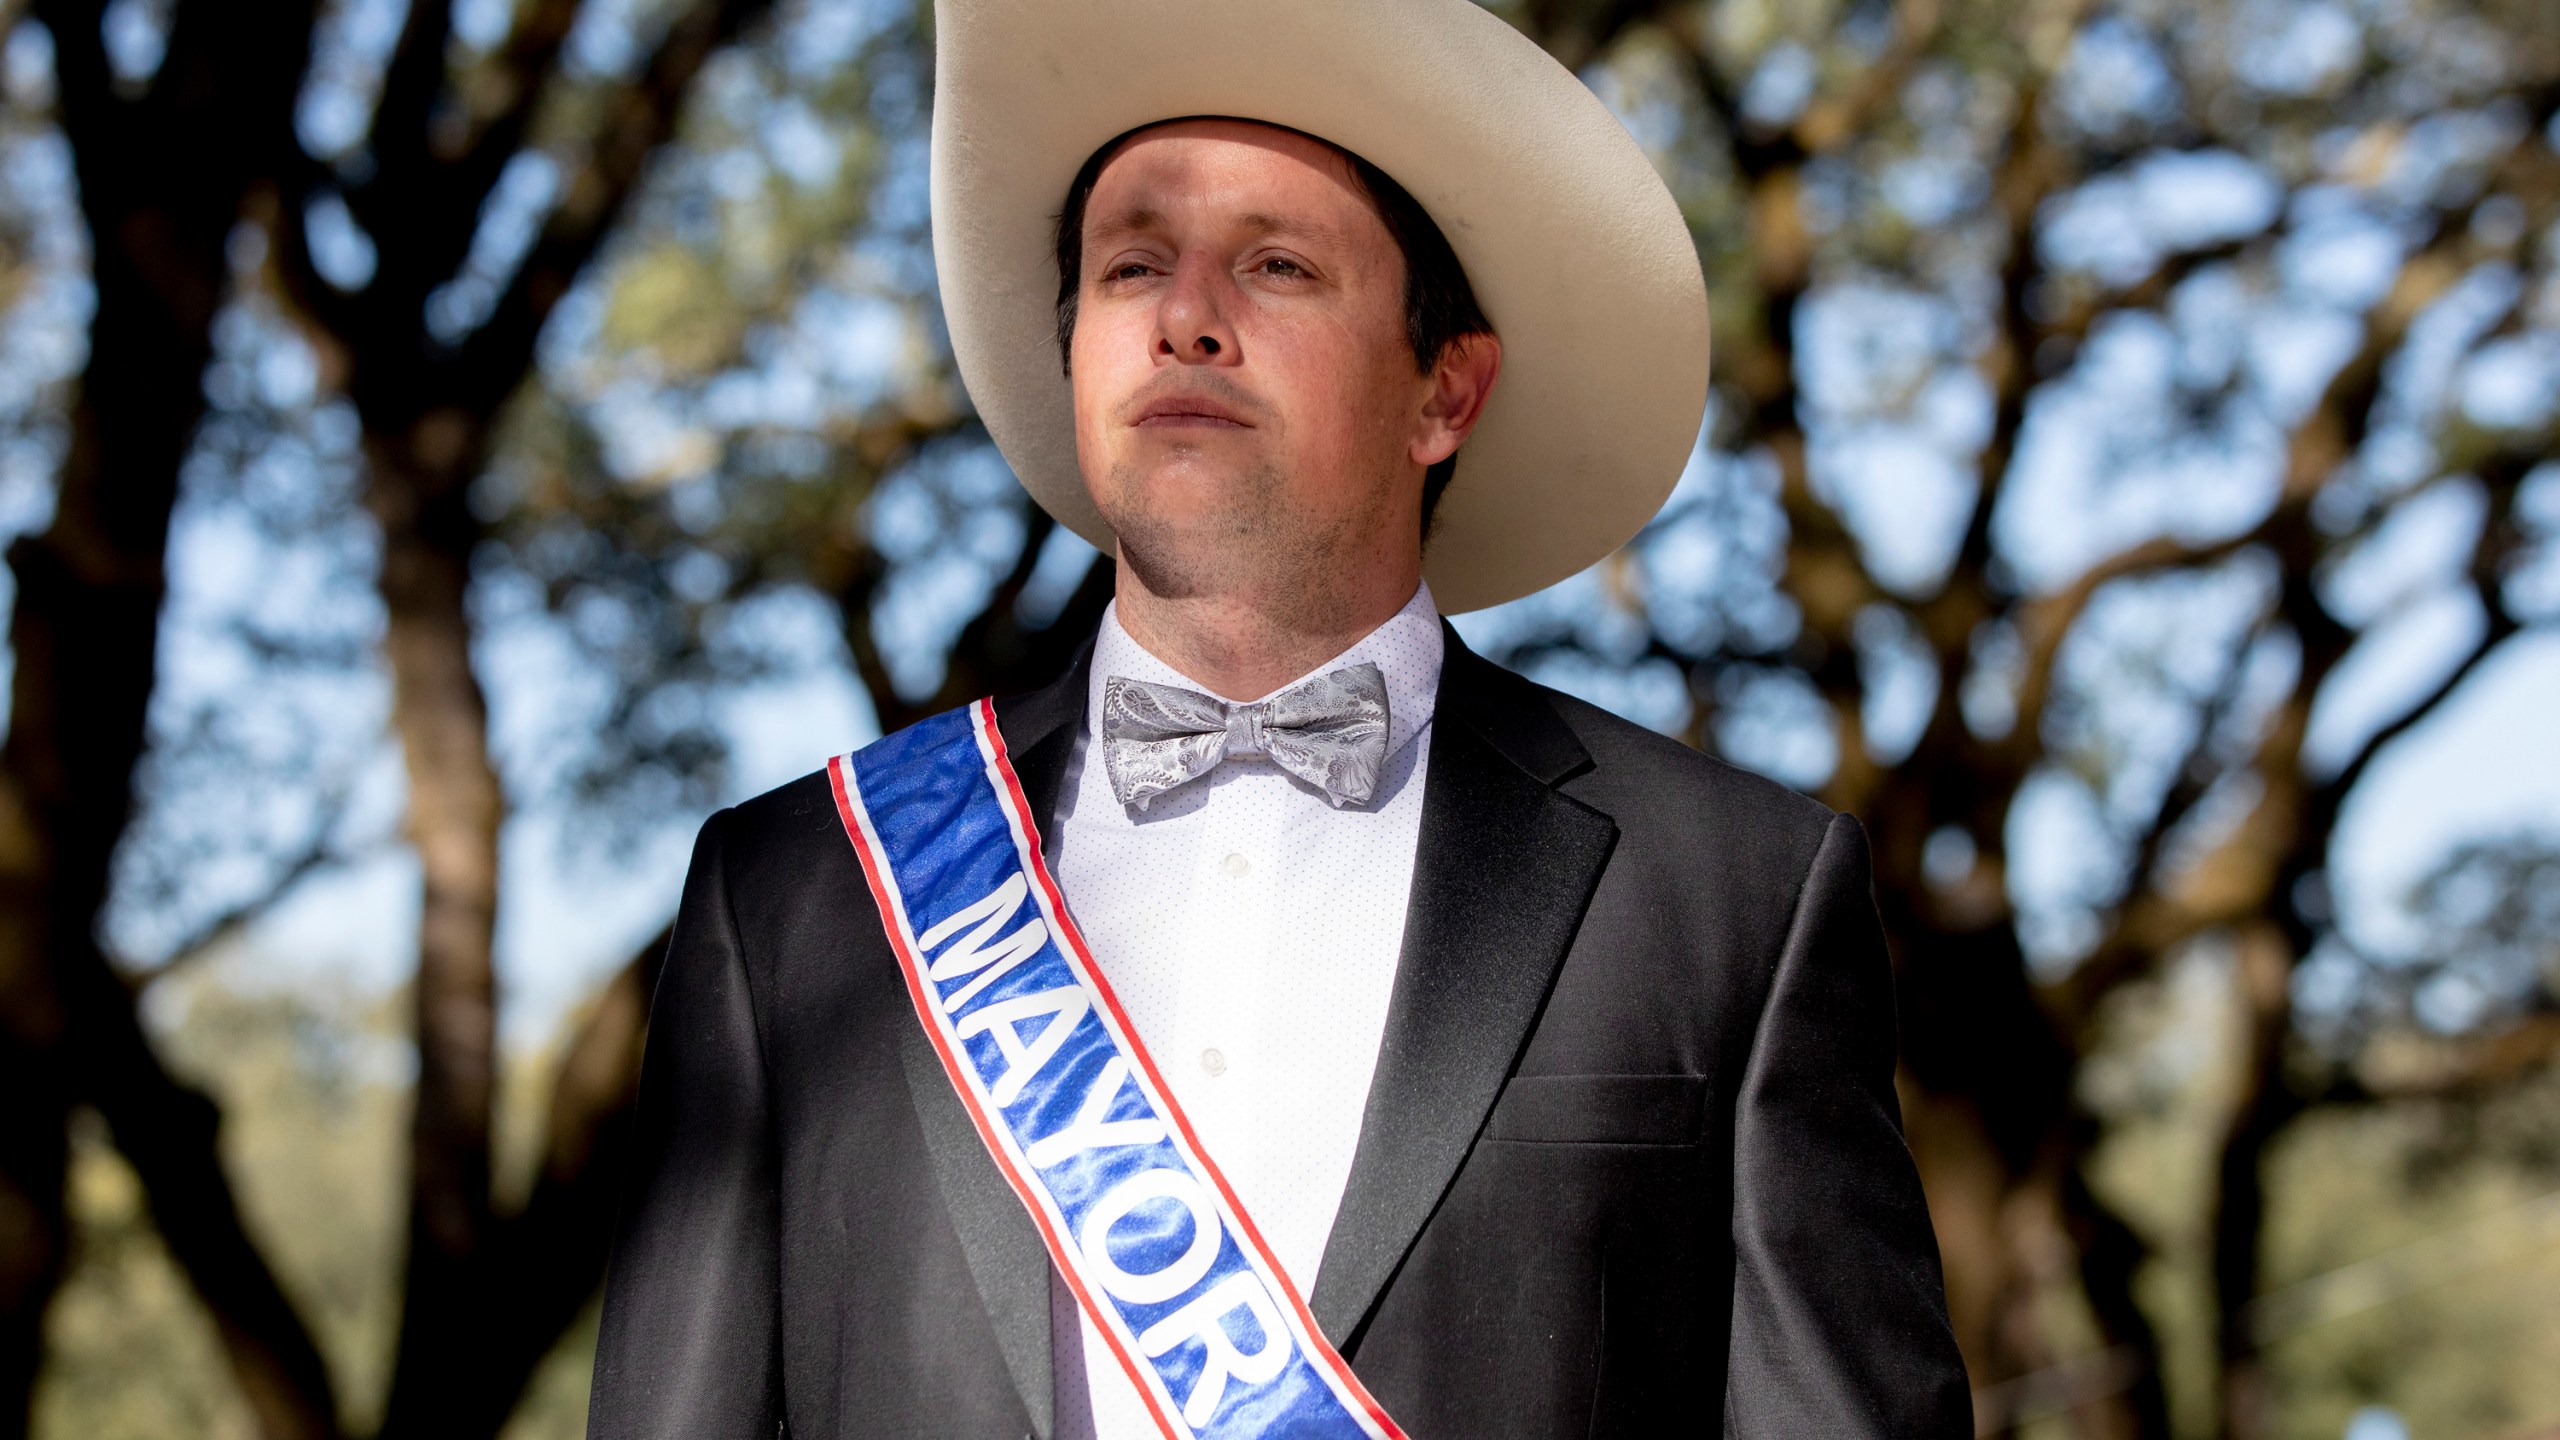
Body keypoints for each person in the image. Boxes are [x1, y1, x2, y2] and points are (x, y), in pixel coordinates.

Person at [588, 0, 1972, 1434]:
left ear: (1446, 390)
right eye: (1133, 266)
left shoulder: (1727, 896)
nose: (1185, 317)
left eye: (1276, 263)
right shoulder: (795, 899)